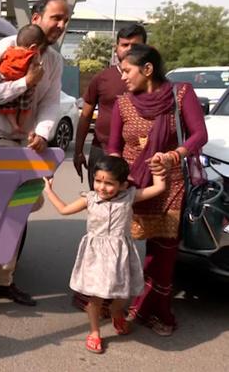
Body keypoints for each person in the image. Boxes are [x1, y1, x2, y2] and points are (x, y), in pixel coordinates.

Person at [0, 0, 69, 306]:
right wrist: (25, 82)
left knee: (21, 209)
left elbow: (51, 104)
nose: (62, 25)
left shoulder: (54, 61)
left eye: (66, 19)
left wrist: (42, 133)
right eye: (56, 18)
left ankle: (2, 277)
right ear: (37, 18)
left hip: (23, 146)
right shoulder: (4, 50)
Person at [108, 44, 208, 336]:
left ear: (147, 69)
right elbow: (114, 147)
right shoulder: (123, 102)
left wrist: (175, 154)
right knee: (116, 247)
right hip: (131, 187)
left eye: (127, 71)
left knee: (162, 255)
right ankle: (107, 300)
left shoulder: (181, 94)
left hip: (170, 184)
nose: (123, 77)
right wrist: (114, 175)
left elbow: (199, 134)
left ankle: (156, 309)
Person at [44, 155, 167, 353]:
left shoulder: (129, 196)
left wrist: (158, 167)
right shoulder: (90, 199)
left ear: (123, 185)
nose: (102, 187)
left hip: (121, 254)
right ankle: (94, 332)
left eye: (109, 183)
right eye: (98, 181)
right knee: (95, 297)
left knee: (123, 291)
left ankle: (116, 311)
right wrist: (49, 190)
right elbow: (64, 209)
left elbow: (159, 188)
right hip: (96, 256)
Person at [72, 23, 147, 314]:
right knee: (99, 222)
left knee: (126, 224)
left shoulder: (150, 83)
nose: (127, 50)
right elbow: (86, 113)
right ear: (116, 47)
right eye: (123, 44)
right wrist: (78, 150)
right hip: (102, 154)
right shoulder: (102, 78)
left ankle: (119, 290)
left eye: (134, 45)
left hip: (135, 160)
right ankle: (90, 292)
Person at [0, 24, 48, 135]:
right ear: (33, 47)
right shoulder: (32, 55)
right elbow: (36, 68)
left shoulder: (8, 51)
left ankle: (13, 125)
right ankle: (20, 125)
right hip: (26, 86)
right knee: (24, 108)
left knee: (9, 107)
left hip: (7, 81)